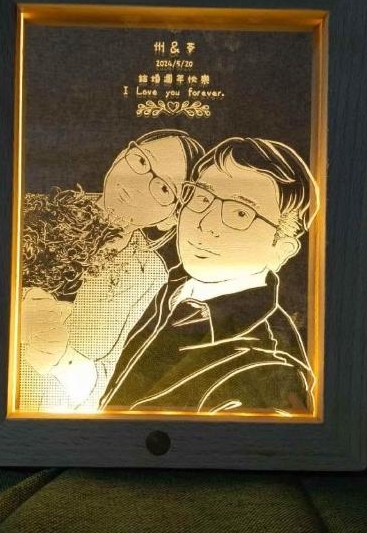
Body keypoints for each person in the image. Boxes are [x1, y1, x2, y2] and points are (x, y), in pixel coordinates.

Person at [101, 136, 319, 415]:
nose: (204, 223)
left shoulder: (267, 367)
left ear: (281, 249)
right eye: (202, 198)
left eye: (240, 213)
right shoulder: (175, 288)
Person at [19, 129, 205, 412]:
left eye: (164, 188)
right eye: (141, 161)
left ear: (171, 219)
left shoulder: (150, 274)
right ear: (122, 154)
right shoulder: (37, 210)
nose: (139, 183)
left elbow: (113, 377)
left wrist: (62, 359)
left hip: (59, 416)